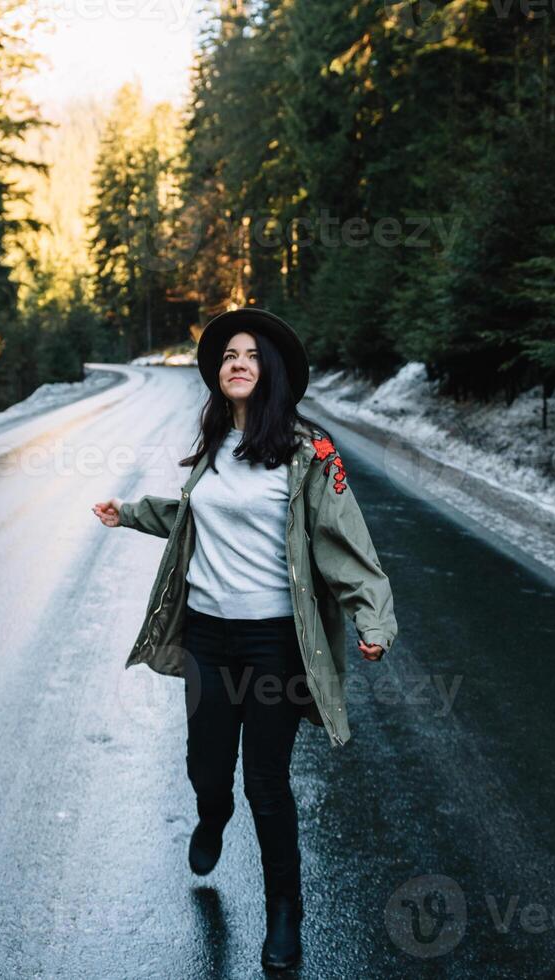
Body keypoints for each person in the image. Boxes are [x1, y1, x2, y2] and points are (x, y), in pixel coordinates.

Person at [91, 307, 399, 971]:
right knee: (206, 764)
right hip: (207, 637)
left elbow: (345, 542)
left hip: (274, 646)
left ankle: (285, 912)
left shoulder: (309, 452)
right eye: (229, 355)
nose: (237, 362)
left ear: (272, 372)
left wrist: (371, 617)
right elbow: (196, 517)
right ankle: (211, 812)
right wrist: (134, 513)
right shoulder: (212, 444)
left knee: (267, 782)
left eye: (251, 355)